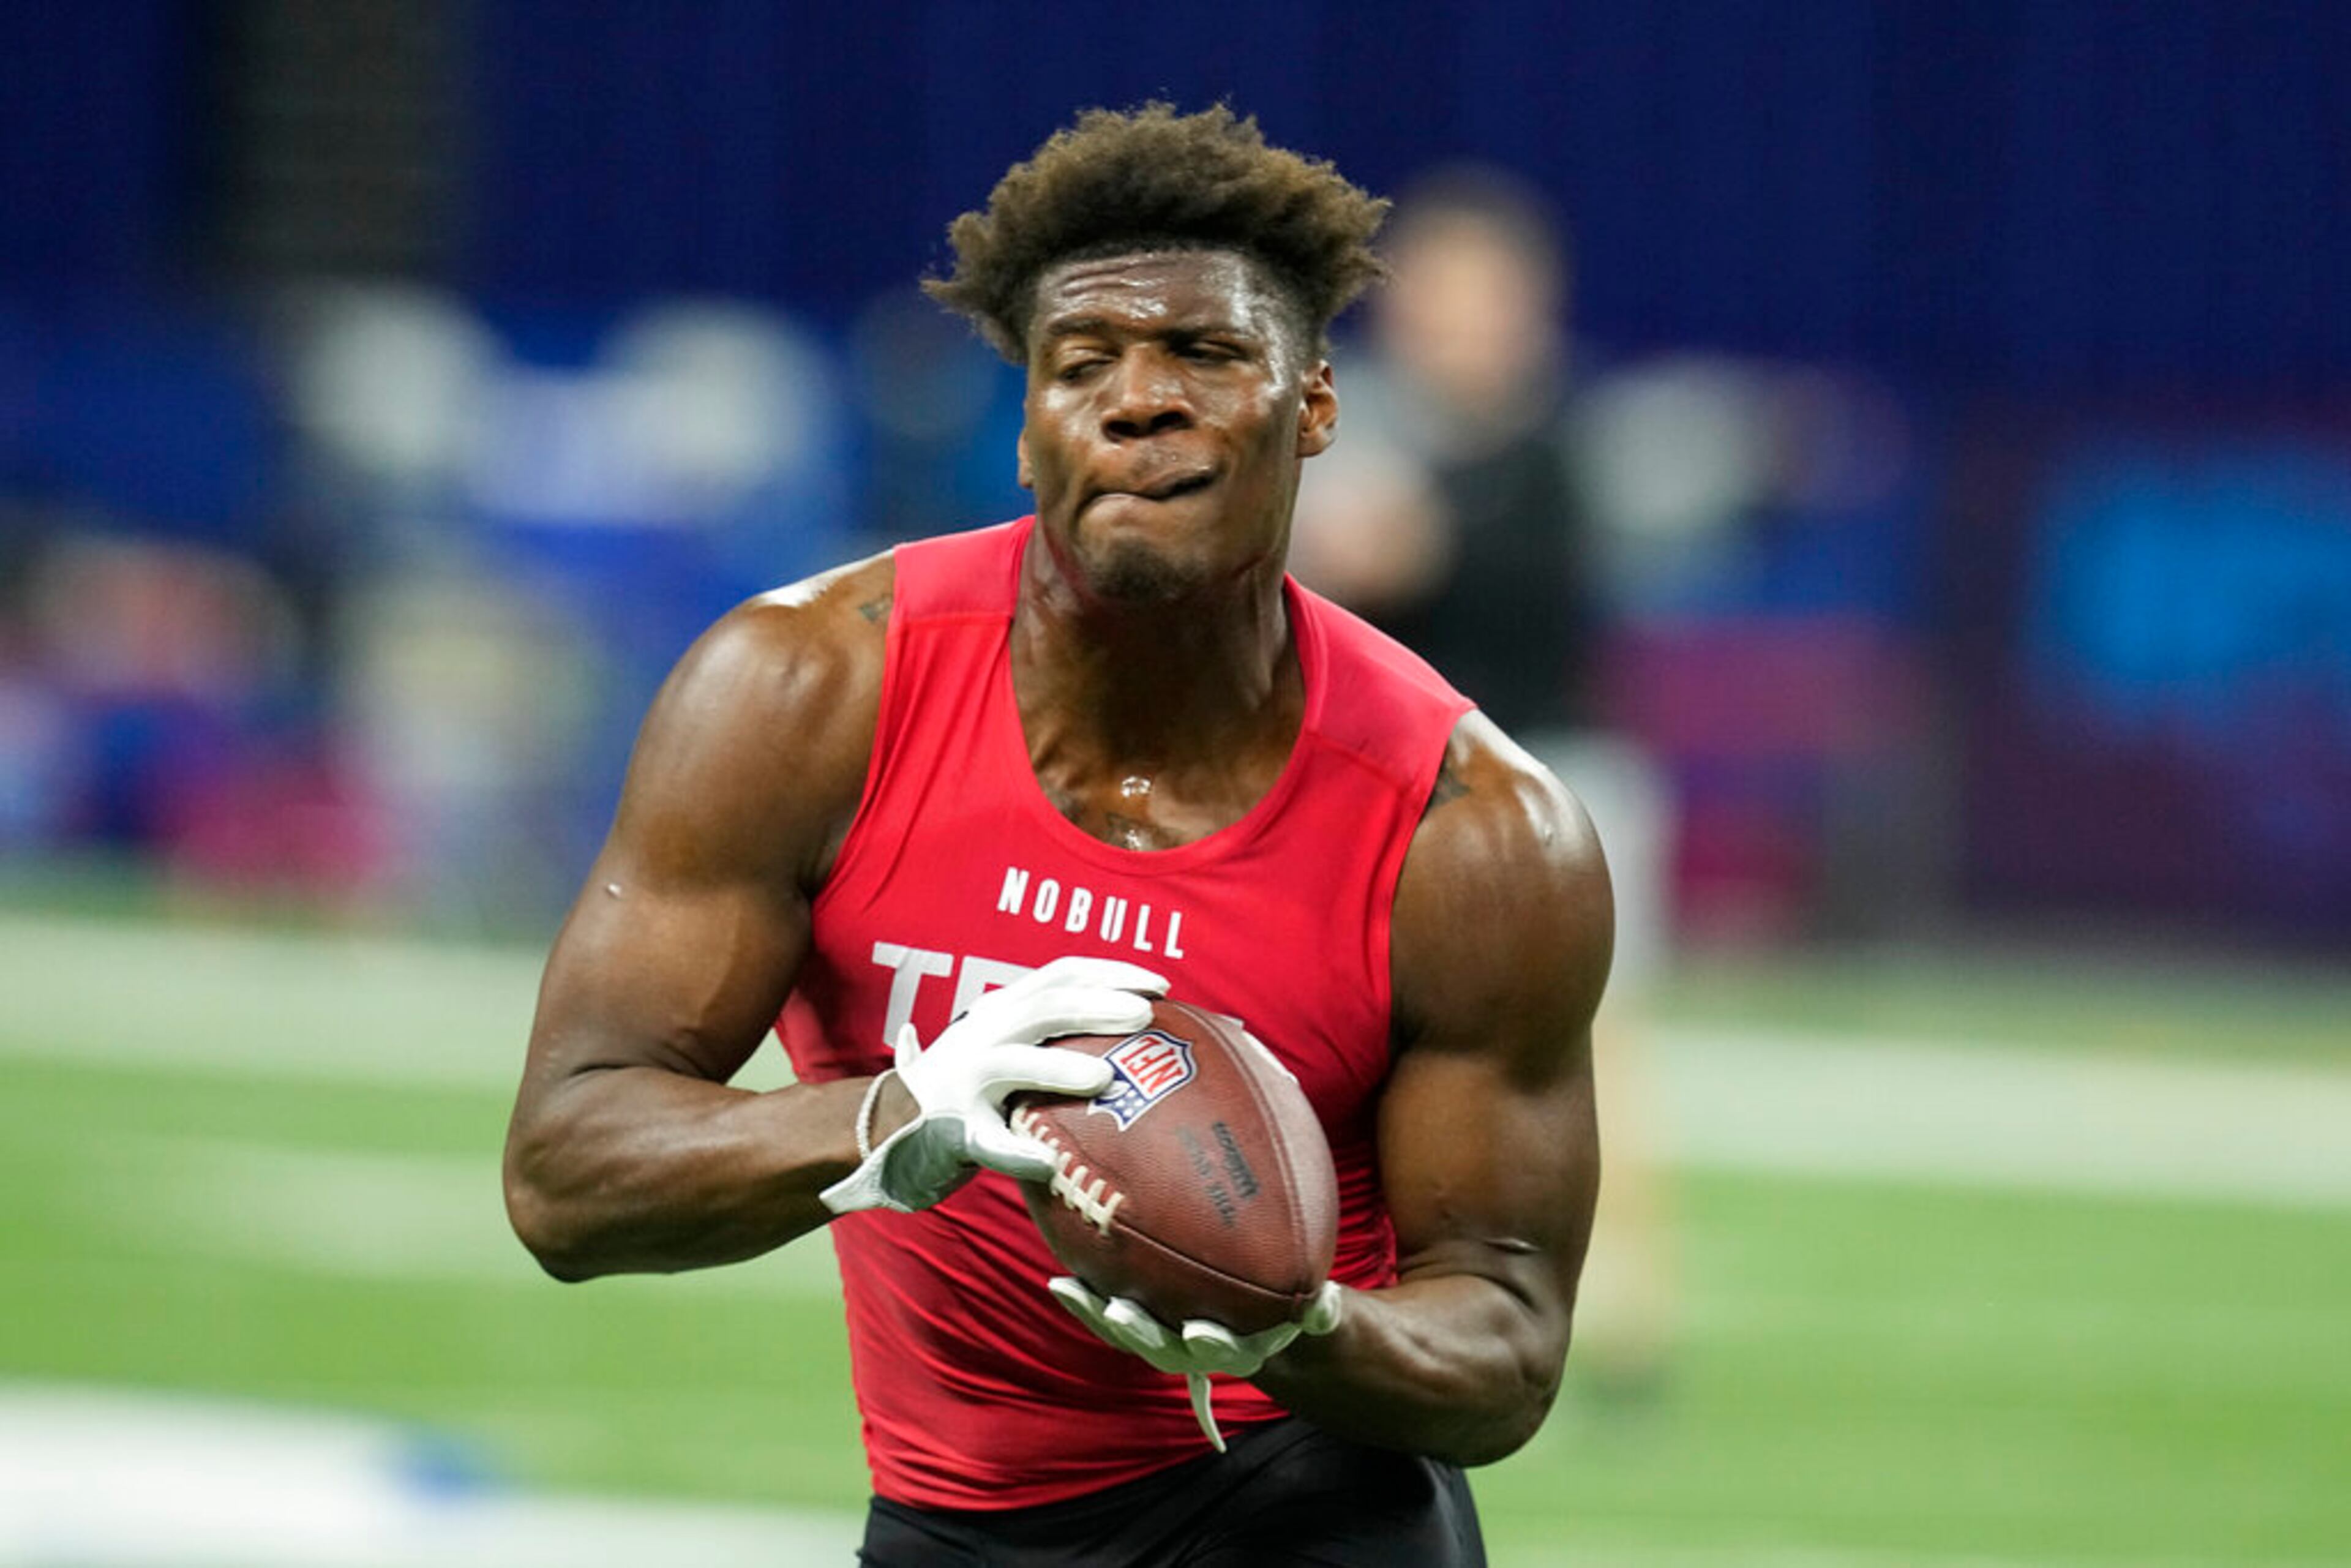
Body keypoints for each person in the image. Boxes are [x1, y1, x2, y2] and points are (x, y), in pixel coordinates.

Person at [503, 103, 1610, 1566]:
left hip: (1306, 1507)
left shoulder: (1473, 827)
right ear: (1028, 432)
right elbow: (566, 1173)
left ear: (1319, 406)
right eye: (1082, 364)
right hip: (949, 1528)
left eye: (1205, 356)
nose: (1137, 402)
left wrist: (1290, 1321)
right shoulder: (806, 690)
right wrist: (894, 1120)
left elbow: (1508, 1344)